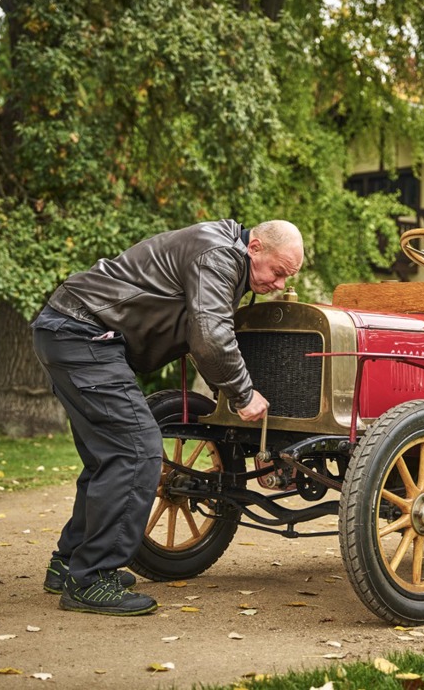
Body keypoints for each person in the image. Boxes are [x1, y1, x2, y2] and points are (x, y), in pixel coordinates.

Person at [31, 219, 304, 616]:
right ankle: (90, 580)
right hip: (83, 334)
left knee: (106, 457)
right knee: (138, 451)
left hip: (68, 329)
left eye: (287, 276)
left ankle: (70, 563)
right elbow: (210, 334)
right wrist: (242, 393)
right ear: (255, 247)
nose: (279, 284)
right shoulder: (220, 256)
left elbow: (199, 330)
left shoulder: (222, 251)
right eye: (278, 271)